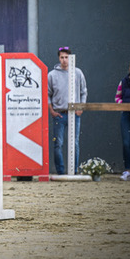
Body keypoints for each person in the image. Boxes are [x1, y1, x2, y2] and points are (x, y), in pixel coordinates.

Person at [47, 46, 88, 174]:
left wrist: (81, 108)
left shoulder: (78, 73)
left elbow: (84, 91)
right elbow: (47, 94)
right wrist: (52, 111)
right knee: (58, 143)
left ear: (70, 58)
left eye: (66, 57)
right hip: (59, 114)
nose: (64, 60)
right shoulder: (52, 75)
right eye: (62, 57)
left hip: (74, 114)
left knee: (74, 143)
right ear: (59, 58)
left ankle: (74, 171)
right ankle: (60, 171)